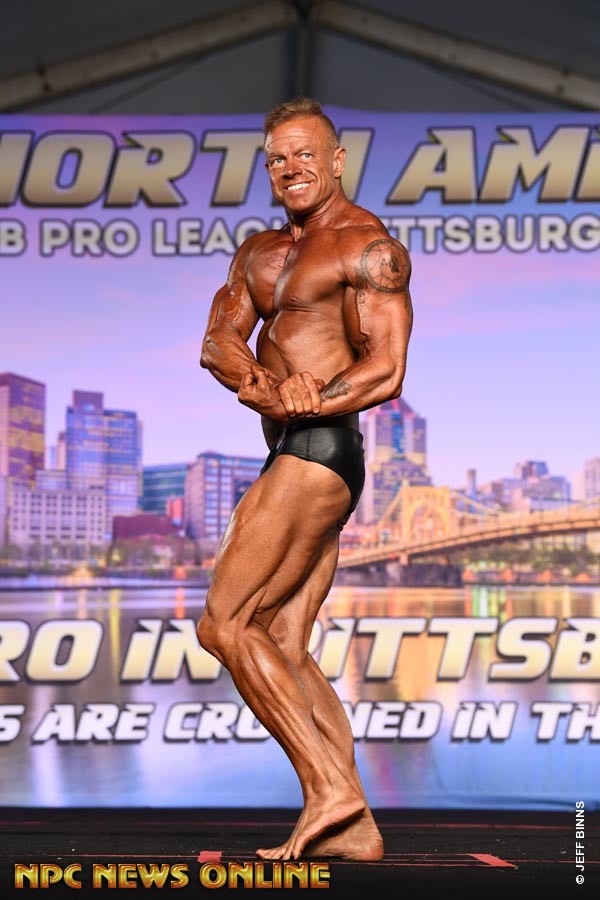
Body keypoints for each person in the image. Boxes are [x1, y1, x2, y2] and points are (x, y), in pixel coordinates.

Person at [197, 98, 413, 861]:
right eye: (278, 159)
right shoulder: (258, 253)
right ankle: (355, 828)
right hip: (291, 446)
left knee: (224, 624)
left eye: (305, 154)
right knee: (284, 640)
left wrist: (310, 399)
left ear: (337, 160)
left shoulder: (368, 247)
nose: (292, 168)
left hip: (320, 448)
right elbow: (217, 343)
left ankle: (328, 789)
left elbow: (387, 368)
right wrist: (262, 385)